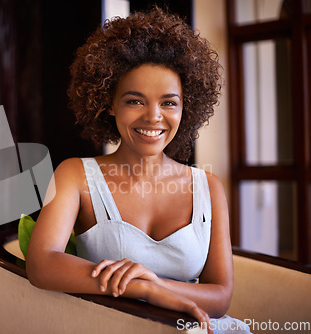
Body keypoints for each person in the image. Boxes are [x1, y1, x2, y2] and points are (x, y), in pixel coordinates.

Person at [26, 7, 250, 334]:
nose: (153, 116)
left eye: (169, 102)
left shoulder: (209, 186)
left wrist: (158, 285)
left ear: (185, 107)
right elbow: (42, 263)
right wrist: (142, 288)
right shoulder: (75, 175)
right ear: (109, 102)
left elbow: (220, 297)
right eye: (135, 101)